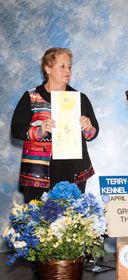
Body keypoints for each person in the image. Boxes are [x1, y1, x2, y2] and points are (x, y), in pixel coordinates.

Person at [11, 47, 99, 203]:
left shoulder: (80, 98)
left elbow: (93, 133)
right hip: (37, 171)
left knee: (71, 223)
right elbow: (17, 130)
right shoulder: (31, 97)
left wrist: (88, 127)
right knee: (38, 222)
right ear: (48, 68)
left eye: (70, 67)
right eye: (62, 66)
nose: (68, 71)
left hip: (73, 170)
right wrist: (40, 130)